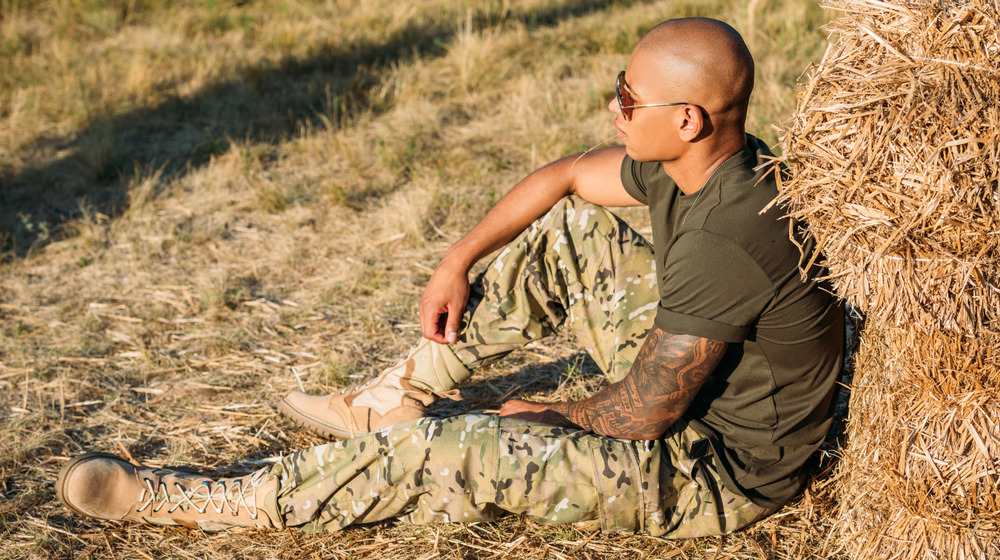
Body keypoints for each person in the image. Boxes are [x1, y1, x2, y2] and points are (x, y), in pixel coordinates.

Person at [56, 17, 843, 538]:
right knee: (570, 232)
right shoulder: (692, 163)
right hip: (687, 401)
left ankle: (201, 500)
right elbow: (567, 179)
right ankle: (387, 400)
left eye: (628, 97)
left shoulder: (732, 233)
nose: (614, 106)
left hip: (715, 470)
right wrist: (455, 260)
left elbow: (643, 414)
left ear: (687, 119)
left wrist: (548, 413)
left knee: (457, 448)